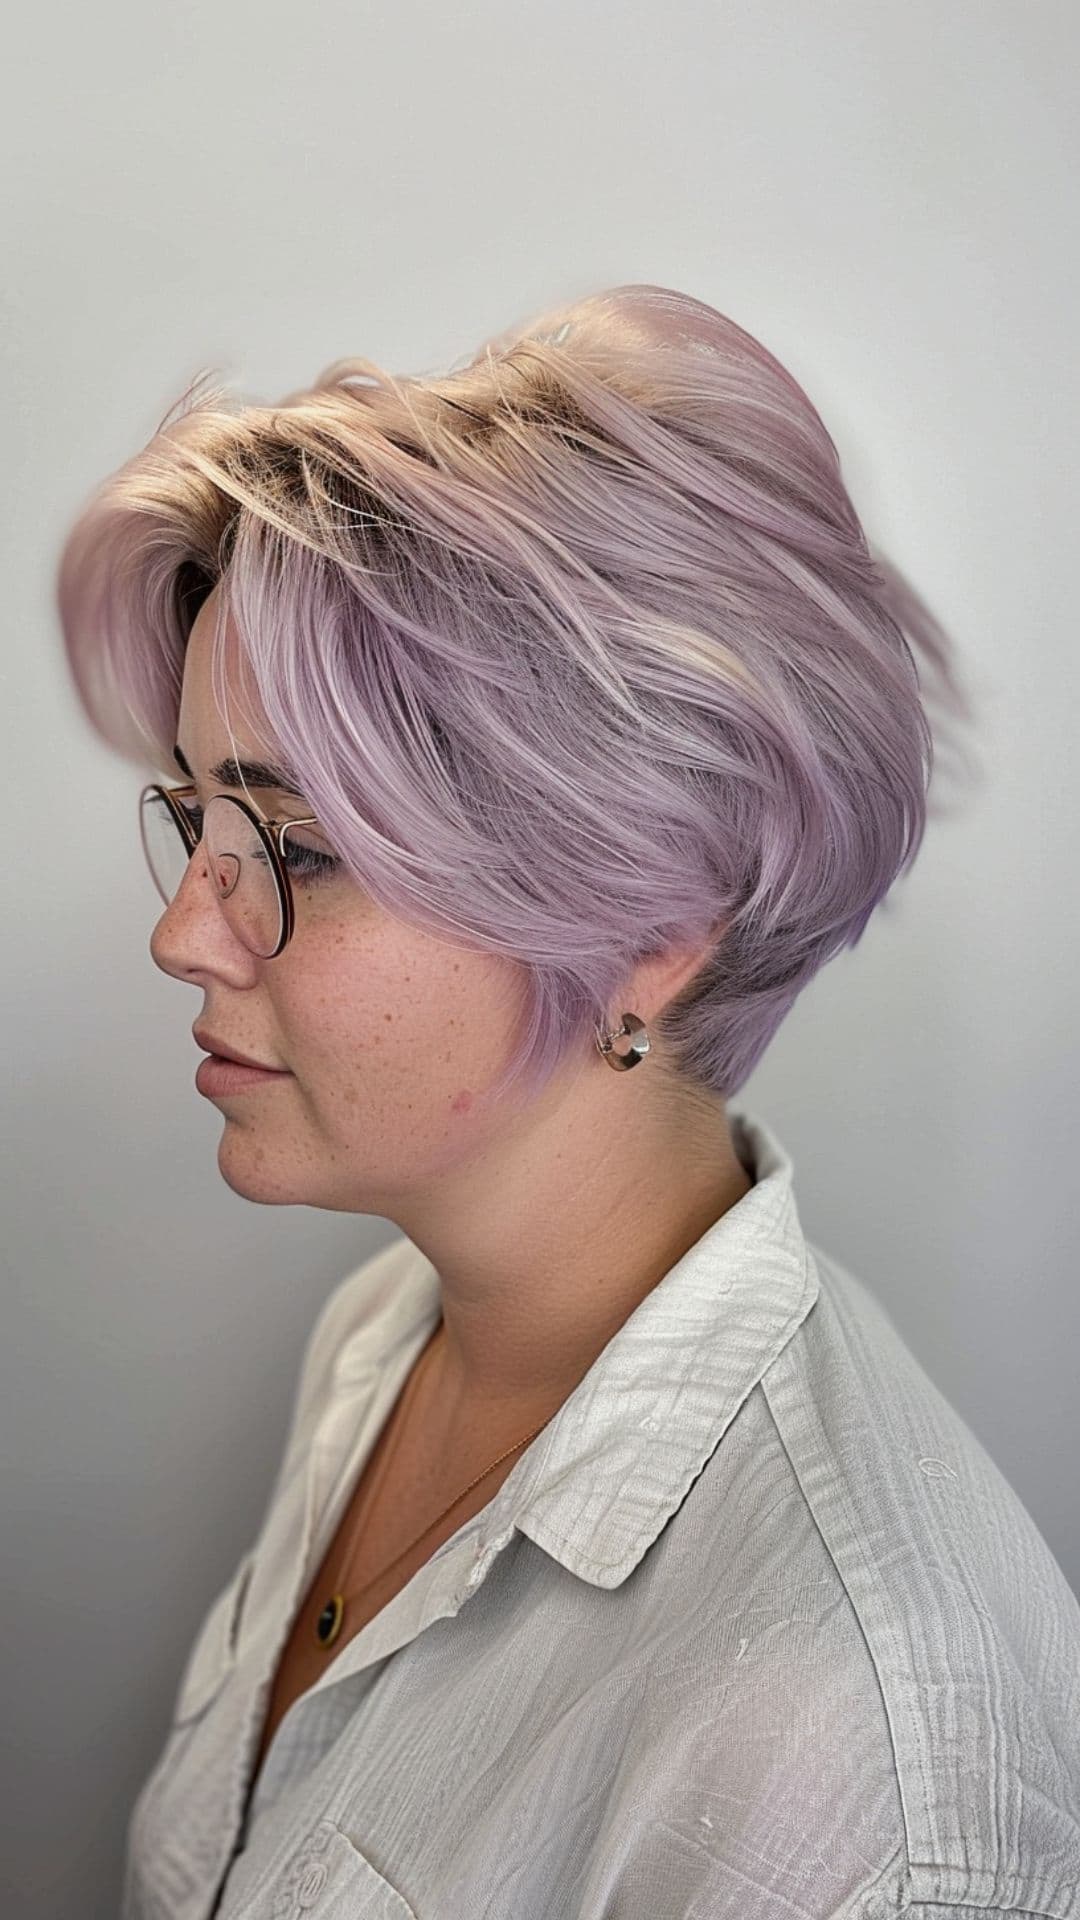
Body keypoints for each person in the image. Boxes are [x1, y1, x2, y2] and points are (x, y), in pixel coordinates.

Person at [55, 284, 1080, 1919]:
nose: (186, 929)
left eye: (297, 849)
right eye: (199, 825)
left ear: (652, 931)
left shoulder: (859, 1768)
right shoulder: (390, 1332)